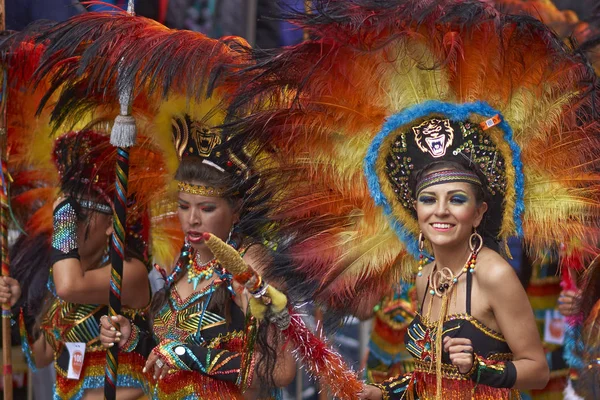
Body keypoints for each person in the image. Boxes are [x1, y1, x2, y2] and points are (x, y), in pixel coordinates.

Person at [220, 1, 600, 399]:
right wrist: (385, 393)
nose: (440, 211)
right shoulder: (425, 277)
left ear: (479, 211)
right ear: (412, 210)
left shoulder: (494, 275)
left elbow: (536, 372)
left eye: (456, 199)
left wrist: (482, 368)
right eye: (428, 200)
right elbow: (429, 377)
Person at [99, 114, 296, 399]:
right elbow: (168, 355)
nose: (191, 220)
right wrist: (133, 338)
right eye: (183, 206)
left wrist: (186, 354)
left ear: (235, 210)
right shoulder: (183, 262)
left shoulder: (251, 264)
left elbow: (278, 370)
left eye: (206, 209)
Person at [16, 130, 154, 400]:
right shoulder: (58, 274)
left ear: (111, 224)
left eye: (79, 212)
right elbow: (42, 357)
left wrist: (64, 214)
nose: (71, 221)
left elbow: (70, 287)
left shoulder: (130, 272)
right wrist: (15, 309)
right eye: (68, 213)